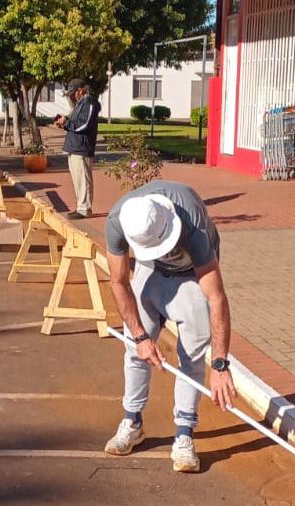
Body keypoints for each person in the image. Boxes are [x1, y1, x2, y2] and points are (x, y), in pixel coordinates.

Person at [103, 180, 236, 473]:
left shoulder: (193, 224)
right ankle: (132, 421)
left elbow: (216, 297)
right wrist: (140, 337)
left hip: (192, 274)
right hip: (151, 271)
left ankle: (184, 436)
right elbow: (119, 282)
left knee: (191, 354)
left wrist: (220, 364)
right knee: (135, 349)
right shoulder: (118, 221)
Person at [54, 78, 100, 220]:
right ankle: (81, 207)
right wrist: (65, 122)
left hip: (82, 148)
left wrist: (66, 122)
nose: (73, 96)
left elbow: (84, 124)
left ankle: (84, 208)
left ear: (81, 90)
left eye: (74, 93)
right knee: (78, 180)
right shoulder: (80, 104)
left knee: (83, 180)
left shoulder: (89, 103)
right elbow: (75, 122)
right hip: (74, 148)